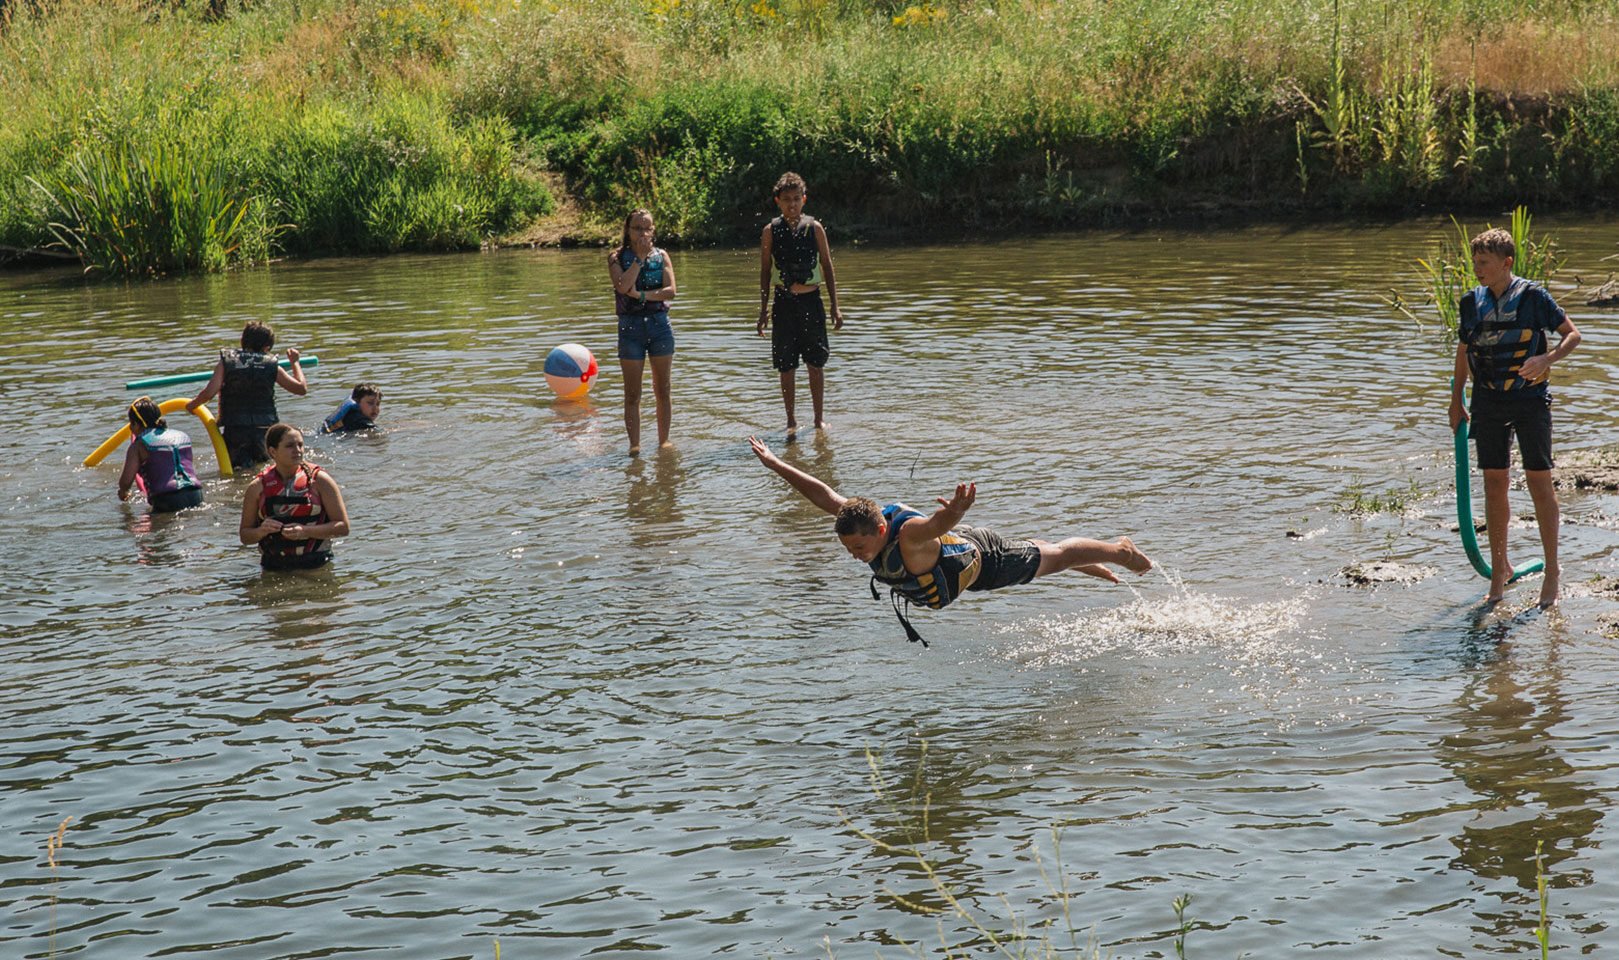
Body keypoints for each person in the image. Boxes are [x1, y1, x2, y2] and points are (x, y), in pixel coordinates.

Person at [749, 437, 1152, 645]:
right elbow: (824, 495)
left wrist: (957, 509)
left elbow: (935, 524)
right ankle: (1094, 560)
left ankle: (1122, 552)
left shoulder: (907, 536)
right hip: (965, 552)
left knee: (1059, 556)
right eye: (850, 550)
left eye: (860, 548)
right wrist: (774, 464)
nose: (857, 557)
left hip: (987, 564)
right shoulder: (862, 520)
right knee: (1042, 549)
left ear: (882, 531)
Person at [1448, 228, 1582, 607]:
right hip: (1488, 401)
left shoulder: (1534, 297)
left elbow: (1573, 335)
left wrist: (1547, 359)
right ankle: (1499, 569)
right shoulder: (1470, 302)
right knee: (1494, 481)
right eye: (1474, 262)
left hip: (1530, 400)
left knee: (1539, 481)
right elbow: (1463, 352)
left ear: (1506, 263)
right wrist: (1455, 400)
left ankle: (1552, 570)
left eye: (1484, 263)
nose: (1477, 269)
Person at [756, 172, 843, 436]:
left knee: (815, 363)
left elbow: (827, 266)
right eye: (786, 200)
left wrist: (835, 306)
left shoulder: (815, 228)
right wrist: (763, 310)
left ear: (804, 199)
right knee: (786, 365)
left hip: (811, 301)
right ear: (777, 202)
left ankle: (818, 420)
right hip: (783, 303)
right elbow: (764, 270)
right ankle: (791, 420)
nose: (792, 204)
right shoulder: (770, 231)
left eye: (796, 199)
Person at [186, 321, 307, 468]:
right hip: (265, 429)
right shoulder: (271, 365)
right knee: (265, 469)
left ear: (242, 341)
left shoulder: (227, 362)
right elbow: (301, 388)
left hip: (236, 428)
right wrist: (295, 362)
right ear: (267, 347)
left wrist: (192, 406)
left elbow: (209, 393)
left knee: (237, 469)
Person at [608, 209, 677, 455]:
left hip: (659, 326)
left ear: (653, 231)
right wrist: (639, 259)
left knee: (663, 389)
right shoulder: (616, 257)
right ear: (628, 230)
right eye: (637, 228)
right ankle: (635, 446)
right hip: (630, 329)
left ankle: (663, 442)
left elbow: (671, 291)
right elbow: (623, 286)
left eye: (647, 228)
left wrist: (644, 296)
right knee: (632, 393)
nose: (642, 233)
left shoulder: (662, 256)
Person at [239, 423, 350, 570]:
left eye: (300, 445)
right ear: (273, 451)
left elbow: (343, 527)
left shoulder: (320, 481)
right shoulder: (257, 487)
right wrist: (261, 531)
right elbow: (245, 536)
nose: (297, 450)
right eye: (290, 446)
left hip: (317, 564)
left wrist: (305, 531)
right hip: (273, 565)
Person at [117, 396, 203, 512]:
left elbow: (126, 482)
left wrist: (123, 492)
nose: (131, 430)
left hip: (167, 500)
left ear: (136, 425)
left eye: (131, 425)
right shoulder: (182, 436)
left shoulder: (138, 446)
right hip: (196, 495)